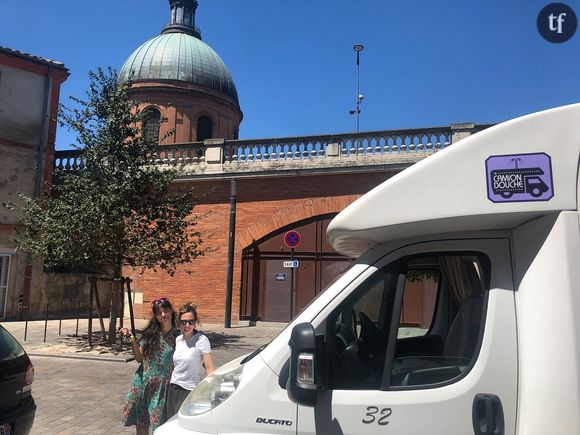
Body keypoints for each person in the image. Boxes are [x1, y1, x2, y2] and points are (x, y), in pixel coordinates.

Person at [120, 297, 179, 435]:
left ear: (171, 311)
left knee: (157, 425)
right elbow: (139, 358)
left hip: (162, 388)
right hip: (143, 383)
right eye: (159, 313)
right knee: (142, 423)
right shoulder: (150, 334)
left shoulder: (179, 336)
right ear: (156, 317)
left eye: (166, 310)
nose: (163, 315)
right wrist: (131, 338)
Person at [166, 302, 215, 417]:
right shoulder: (178, 340)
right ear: (179, 322)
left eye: (191, 321)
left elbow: (209, 368)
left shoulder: (201, 340)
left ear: (195, 322)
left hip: (189, 391)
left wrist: (210, 392)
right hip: (173, 388)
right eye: (183, 322)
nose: (187, 325)